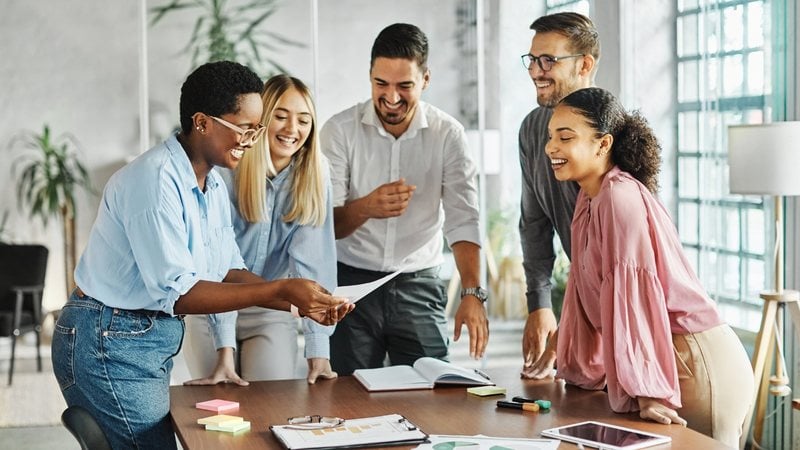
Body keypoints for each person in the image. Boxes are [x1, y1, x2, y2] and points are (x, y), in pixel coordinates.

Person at [50, 61, 353, 449]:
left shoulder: (208, 184)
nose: (252, 138)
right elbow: (181, 294)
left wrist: (300, 303)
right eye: (245, 127)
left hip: (138, 337)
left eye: (256, 128)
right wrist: (283, 289)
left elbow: (227, 269)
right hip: (108, 340)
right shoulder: (156, 182)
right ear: (202, 123)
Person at [533, 86, 753, 447]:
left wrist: (648, 389)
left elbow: (635, 299)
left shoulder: (620, 198)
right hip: (664, 357)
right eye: (550, 136)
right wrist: (573, 362)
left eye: (565, 137)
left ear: (603, 145)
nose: (551, 148)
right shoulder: (589, 200)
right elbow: (584, 292)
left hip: (692, 362)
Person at [320, 23, 488, 375]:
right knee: (349, 398)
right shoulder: (339, 131)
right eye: (381, 83)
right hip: (351, 285)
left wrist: (472, 293)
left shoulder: (448, 135)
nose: (392, 97)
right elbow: (325, 227)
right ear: (369, 76)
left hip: (418, 283)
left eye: (404, 86)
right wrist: (367, 207)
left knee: (432, 394)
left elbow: (463, 218)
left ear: (425, 79)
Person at [183, 74, 339, 385]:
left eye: (304, 120)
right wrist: (224, 351)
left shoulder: (315, 175)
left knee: (271, 402)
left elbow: (313, 266)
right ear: (260, 121)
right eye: (280, 117)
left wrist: (319, 350)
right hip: (210, 308)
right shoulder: (227, 170)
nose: (292, 130)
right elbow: (219, 269)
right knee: (219, 407)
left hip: (270, 310)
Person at [518, 12, 600, 377]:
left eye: (549, 60)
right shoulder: (533, 128)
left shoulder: (613, 133)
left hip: (627, 312)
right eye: (533, 60)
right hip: (586, 306)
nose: (536, 70)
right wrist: (539, 303)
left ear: (584, 65)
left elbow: (613, 261)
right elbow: (533, 223)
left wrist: (567, 329)